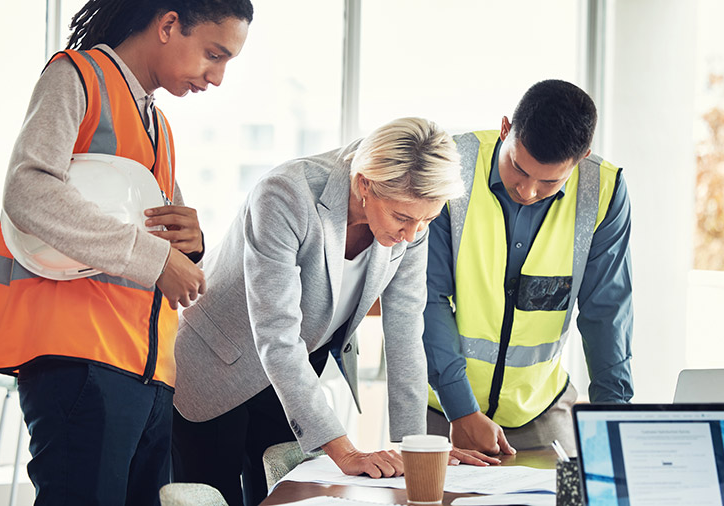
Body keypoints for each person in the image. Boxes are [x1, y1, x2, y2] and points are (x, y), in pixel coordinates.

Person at [0, 1, 253, 504]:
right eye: (213, 54)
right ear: (168, 25)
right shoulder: (75, 76)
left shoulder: (158, 125)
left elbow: (155, 242)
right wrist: (157, 259)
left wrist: (191, 243)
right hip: (81, 360)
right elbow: (28, 190)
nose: (219, 77)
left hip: (151, 372)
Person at [171, 117, 498, 506]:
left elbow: (406, 331)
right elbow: (277, 335)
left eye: (426, 220)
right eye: (403, 219)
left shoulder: (412, 218)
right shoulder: (286, 194)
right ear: (365, 184)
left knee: (290, 496)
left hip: (292, 378)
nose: (412, 235)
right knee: (216, 495)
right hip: (216, 367)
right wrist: (345, 450)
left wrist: (418, 449)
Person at [424, 79, 634, 457]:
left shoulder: (604, 192)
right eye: (518, 169)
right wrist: (462, 409)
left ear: (582, 157)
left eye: (550, 181)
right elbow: (428, 298)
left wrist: (613, 422)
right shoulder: (451, 167)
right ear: (506, 130)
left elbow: (607, 314)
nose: (528, 190)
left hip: (540, 410)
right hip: (441, 405)